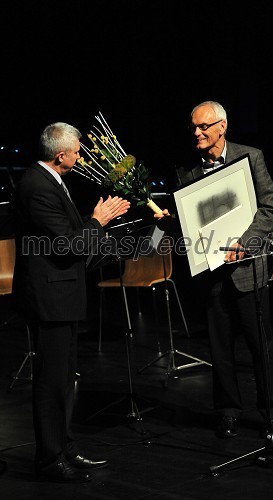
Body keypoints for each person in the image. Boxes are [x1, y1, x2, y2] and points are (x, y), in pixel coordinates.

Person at [13, 122, 130, 483]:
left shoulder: (50, 181)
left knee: (64, 378)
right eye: (78, 152)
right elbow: (68, 245)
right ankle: (49, 459)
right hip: (49, 297)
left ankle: (64, 446)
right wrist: (98, 219)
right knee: (50, 382)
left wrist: (97, 223)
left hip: (61, 294)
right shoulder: (37, 186)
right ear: (61, 155)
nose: (81, 157)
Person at [175, 100, 273, 439]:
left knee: (260, 345)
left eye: (204, 126)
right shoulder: (186, 170)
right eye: (194, 127)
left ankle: (272, 411)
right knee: (219, 348)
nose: (197, 132)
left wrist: (246, 242)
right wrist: (171, 220)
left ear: (222, 127)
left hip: (247, 269)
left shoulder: (250, 157)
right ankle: (227, 411)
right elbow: (189, 222)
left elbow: (270, 208)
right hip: (211, 272)